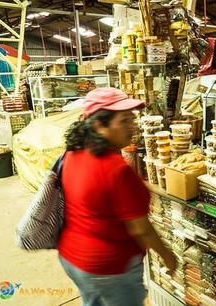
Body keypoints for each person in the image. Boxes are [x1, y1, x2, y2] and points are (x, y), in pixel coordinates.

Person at [58, 88, 176, 306]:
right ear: (98, 125)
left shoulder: (73, 152)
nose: (132, 126)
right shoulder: (116, 169)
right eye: (124, 120)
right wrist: (167, 255)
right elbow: (140, 229)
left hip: (73, 259)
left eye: (132, 119)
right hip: (107, 268)